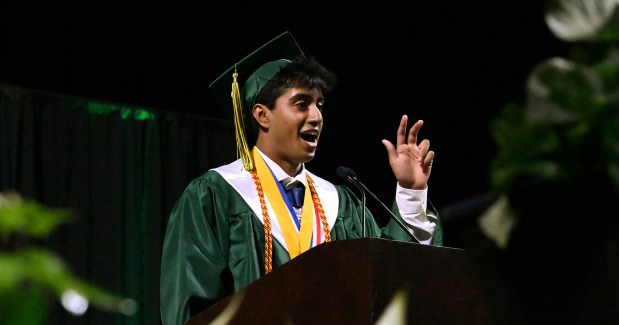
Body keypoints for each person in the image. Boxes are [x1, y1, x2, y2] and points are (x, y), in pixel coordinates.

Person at [159, 31, 443, 325]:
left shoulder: (341, 203)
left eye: (319, 104)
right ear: (262, 115)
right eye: (301, 103)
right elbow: (193, 311)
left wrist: (410, 192)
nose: (317, 116)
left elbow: (392, 280)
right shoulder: (215, 196)